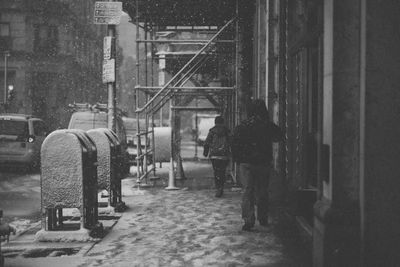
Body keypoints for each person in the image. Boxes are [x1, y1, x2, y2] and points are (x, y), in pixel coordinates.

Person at [232, 99, 284, 231]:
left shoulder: (242, 126)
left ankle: (248, 220)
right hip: (263, 162)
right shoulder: (267, 125)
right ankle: (263, 217)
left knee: (247, 191)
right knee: (263, 191)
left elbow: (234, 143)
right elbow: (279, 136)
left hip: (246, 163)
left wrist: (238, 159)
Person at [203, 115, 231, 198]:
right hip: (224, 155)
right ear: (223, 122)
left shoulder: (212, 131)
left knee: (216, 172)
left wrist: (205, 153)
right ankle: (221, 187)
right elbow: (231, 142)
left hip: (214, 155)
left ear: (215, 122)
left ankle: (218, 188)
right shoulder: (227, 131)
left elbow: (207, 142)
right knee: (222, 171)